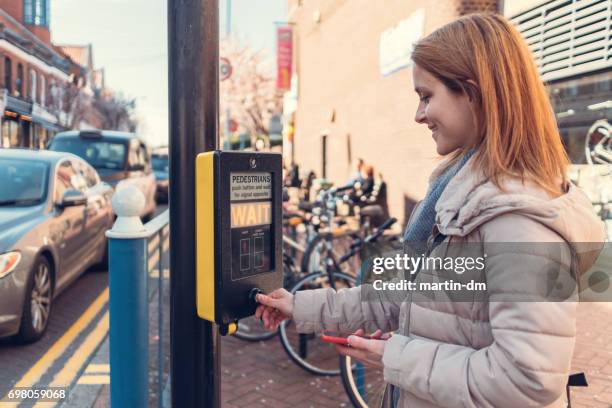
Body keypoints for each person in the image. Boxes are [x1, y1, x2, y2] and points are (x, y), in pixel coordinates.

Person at [255, 13, 606, 408]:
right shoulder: (468, 200)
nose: (418, 115)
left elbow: (526, 380)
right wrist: (300, 306)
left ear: (471, 94)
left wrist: (396, 357)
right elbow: (406, 296)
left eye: (426, 96)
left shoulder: (518, 222)